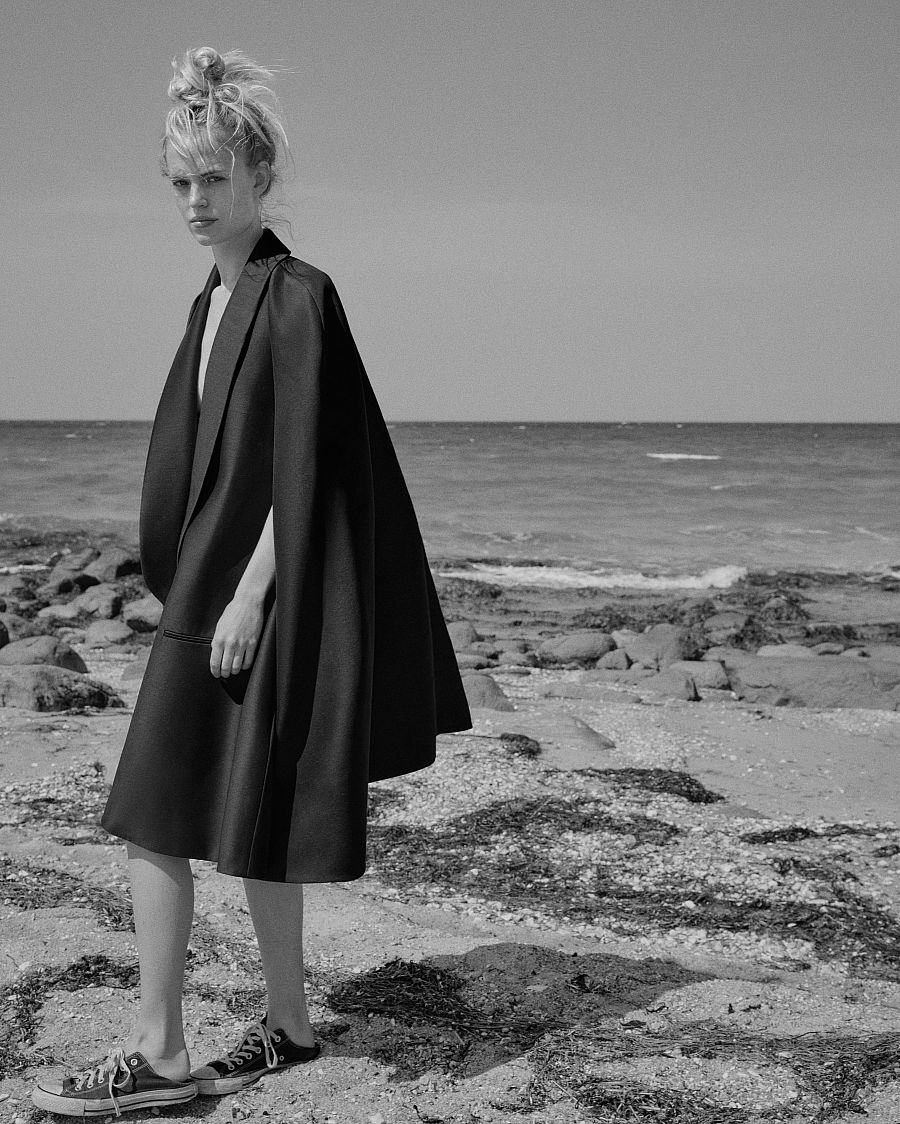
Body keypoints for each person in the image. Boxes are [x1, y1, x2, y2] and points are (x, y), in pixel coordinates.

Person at [32, 46, 471, 1118]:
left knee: (152, 813)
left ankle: (159, 1052)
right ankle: (290, 1024)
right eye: (180, 182)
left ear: (261, 177)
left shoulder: (297, 296)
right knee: (253, 805)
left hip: (247, 598)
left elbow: (313, 462)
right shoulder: (213, 301)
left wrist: (247, 594)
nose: (194, 201)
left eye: (214, 179)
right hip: (212, 591)